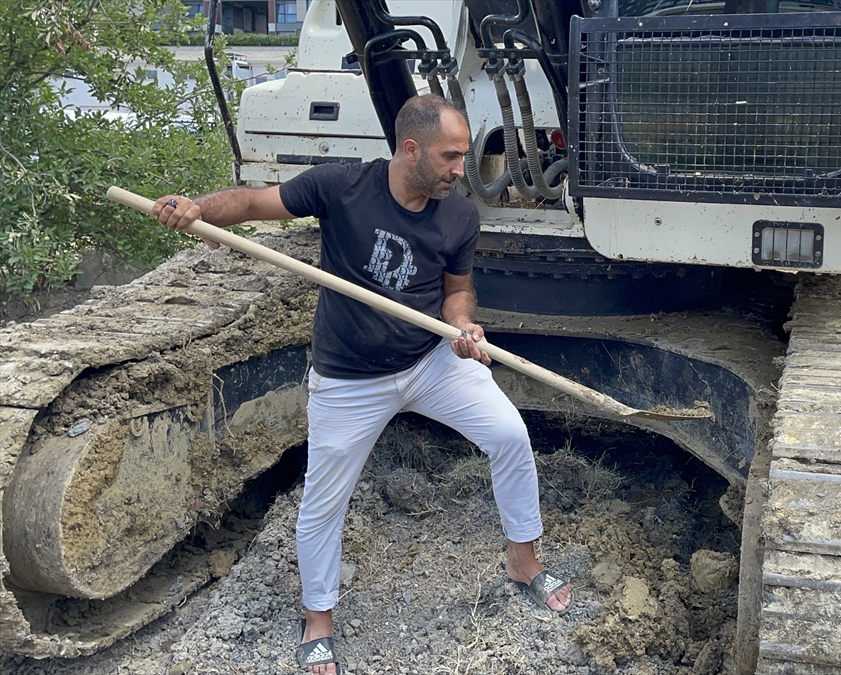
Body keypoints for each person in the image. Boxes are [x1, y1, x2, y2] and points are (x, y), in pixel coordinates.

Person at [152, 94, 571, 675]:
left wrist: (462, 326)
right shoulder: (340, 187)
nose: (461, 169)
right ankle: (317, 618)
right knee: (324, 502)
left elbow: (457, 291)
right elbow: (250, 202)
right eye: (451, 156)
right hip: (348, 378)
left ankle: (522, 560)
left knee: (508, 434)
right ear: (410, 149)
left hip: (429, 362)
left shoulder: (459, 215)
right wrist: (193, 207)